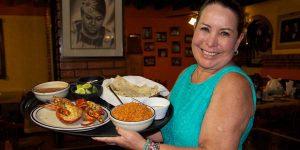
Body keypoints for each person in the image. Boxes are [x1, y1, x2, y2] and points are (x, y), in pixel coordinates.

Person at [93, 0, 256, 149]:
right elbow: (166, 132)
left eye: (224, 33)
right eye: (205, 28)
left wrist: (144, 146)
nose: (211, 42)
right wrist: (117, 130)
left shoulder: (234, 85)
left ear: (238, 40)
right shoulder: (187, 73)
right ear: (195, 29)